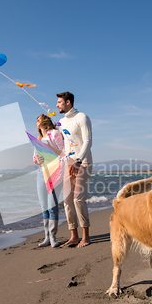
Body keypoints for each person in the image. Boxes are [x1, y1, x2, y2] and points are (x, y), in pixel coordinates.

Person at [56, 91, 93, 248]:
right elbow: (61, 144)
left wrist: (78, 160)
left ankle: (86, 236)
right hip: (67, 163)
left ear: (68, 102)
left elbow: (88, 140)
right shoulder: (61, 122)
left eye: (59, 102)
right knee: (67, 200)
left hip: (82, 162)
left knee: (78, 199)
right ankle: (74, 236)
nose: (57, 105)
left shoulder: (82, 117)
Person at [33, 114, 64, 248]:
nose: (37, 122)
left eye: (39, 119)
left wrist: (50, 148)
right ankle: (46, 237)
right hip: (42, 173)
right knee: (44, 206)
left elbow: (63, 152)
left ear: (45, 121)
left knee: (52, 205)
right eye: (36, 120)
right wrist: (37, 160)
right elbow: (34, 158)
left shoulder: (55, 134)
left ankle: (53, 236)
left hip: (55, 173)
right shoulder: (37, 139)